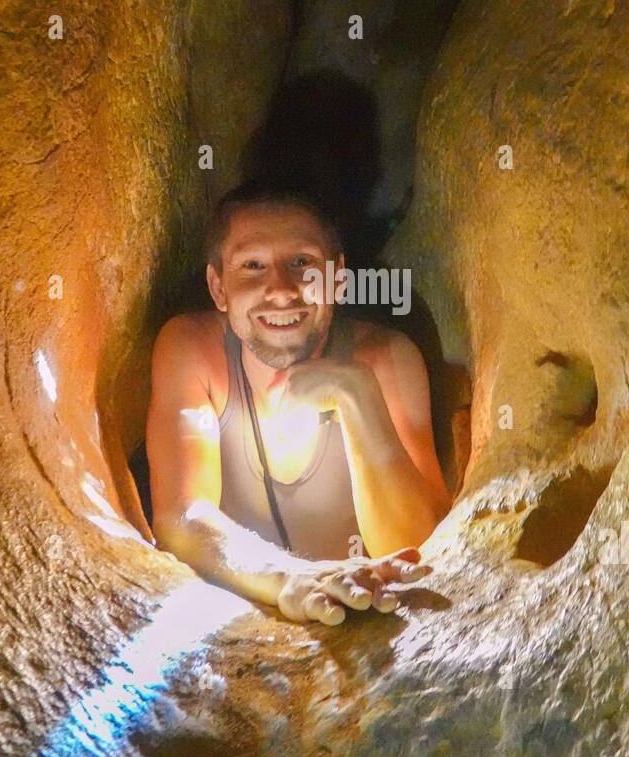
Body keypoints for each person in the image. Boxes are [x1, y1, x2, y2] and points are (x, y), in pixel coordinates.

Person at [146, 181, 450, 625]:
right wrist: (290, 577)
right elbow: (182, 518)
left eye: (302, 263)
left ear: (338, 278)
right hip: (241, 624)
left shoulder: (386, 359)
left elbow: (419, 545)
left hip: (372, 620)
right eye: (252, 266)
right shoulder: (193, 350)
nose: (281, 290)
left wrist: (358, 396)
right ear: (218, 287)